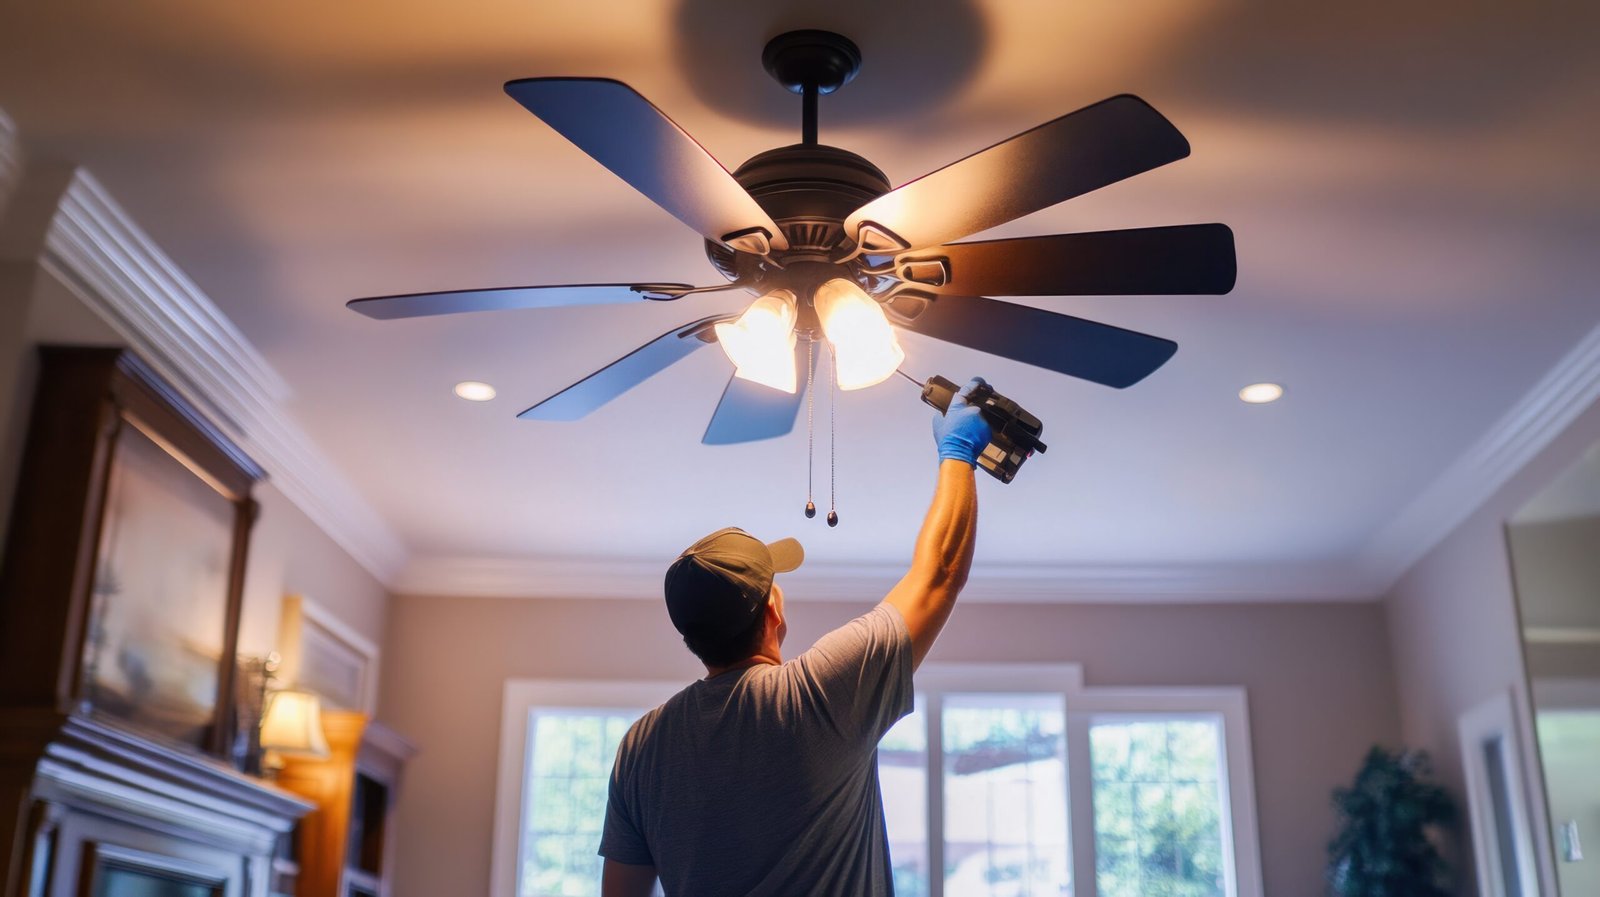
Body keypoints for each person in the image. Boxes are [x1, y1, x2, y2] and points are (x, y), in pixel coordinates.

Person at [599, 378, 994, 897]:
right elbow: (939, 575)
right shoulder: (817, 695)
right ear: (773, 609)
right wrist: (957, 453)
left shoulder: (641, 749)